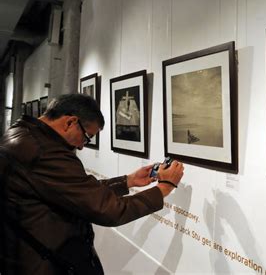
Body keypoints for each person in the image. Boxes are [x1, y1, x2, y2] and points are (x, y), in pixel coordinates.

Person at [0, 94, 184, 274]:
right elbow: (109, 210)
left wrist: (127, 181)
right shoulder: (46, 152)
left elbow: (72, 190)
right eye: (87, 136)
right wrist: (164, 187)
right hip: (45, 264)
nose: (81, 146)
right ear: (70, 122)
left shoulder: (21, 134)